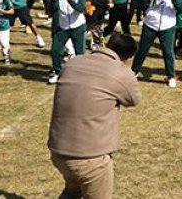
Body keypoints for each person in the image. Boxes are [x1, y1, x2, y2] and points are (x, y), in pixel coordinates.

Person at [48, 33, 141, 199]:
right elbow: (133, 100)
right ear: (127, 58)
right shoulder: (120, 72)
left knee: (72, 191)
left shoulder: (73, 62)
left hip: (58, 151)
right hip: (90, 158)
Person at [130, 0, 182, 88]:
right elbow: (142, 8)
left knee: (168, 52)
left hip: (167, 26)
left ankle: (171, 76)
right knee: (142, 50)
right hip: (150, 25)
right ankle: (133, 72)